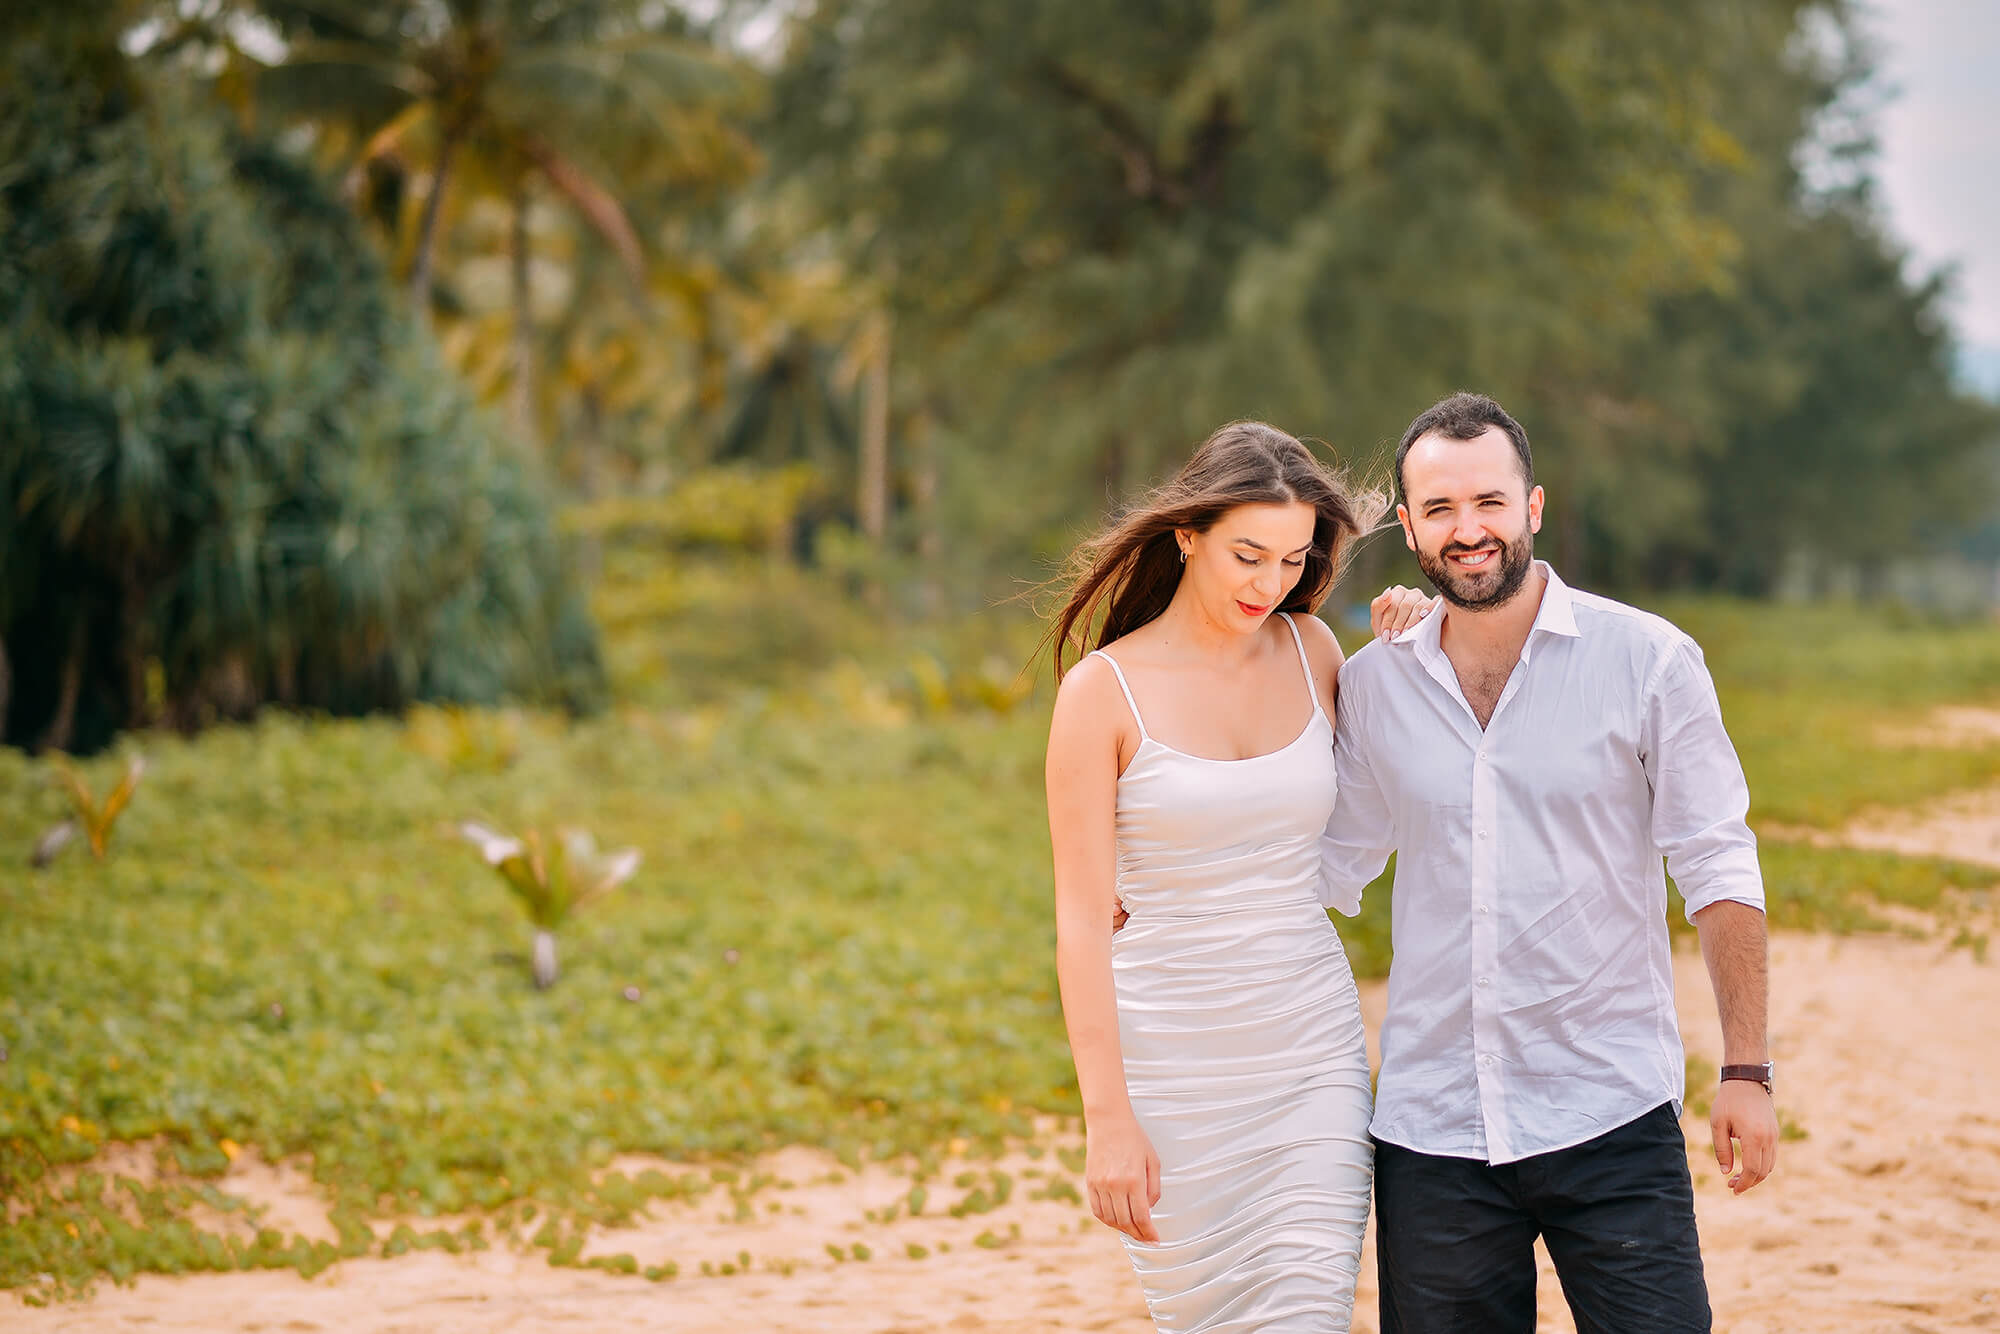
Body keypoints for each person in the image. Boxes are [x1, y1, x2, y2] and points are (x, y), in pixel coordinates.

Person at [1323, 392, 1778, 1333]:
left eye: (1489, 502)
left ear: (1533, 508)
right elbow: (1330, 868)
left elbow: (1719, 864)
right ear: (1408, 529)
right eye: (1440, 510)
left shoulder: (1649, 660)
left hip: (1609, 1109)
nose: (1468, 530)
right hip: (1432, 1128)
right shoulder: (1375, 684)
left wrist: (1747, 1071)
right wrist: (1163, 895)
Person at [1045, 420, 1426, 1331]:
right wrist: (1107, 1120)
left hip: (1309, 1053)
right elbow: (1078, 919)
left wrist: (1411, 653)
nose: (1270, 585)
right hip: (1171, 1067)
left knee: (1309, 1311)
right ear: (1188, 535)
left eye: (1293, 561)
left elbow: (1392, 798)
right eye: (1247, 555)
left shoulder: (1317, 654)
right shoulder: (1102, 693)